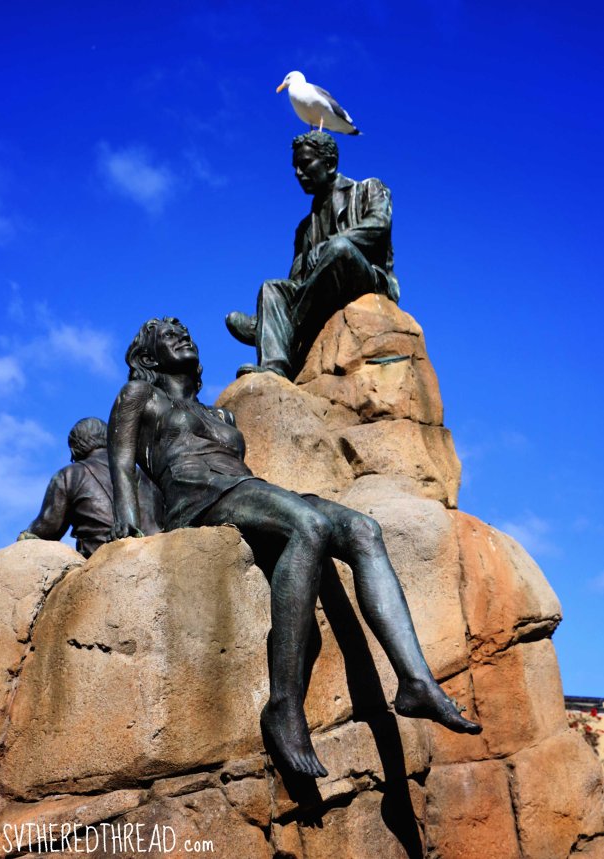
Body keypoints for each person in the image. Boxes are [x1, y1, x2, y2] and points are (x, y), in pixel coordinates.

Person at [108, 317, 481, 779]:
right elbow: (121, 463)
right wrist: (127, 526)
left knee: (363, 529)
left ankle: (416, 681)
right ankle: (283, 705)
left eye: (184, 331)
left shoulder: (221, 416)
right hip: (198, 498)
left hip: (245, 490)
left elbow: (248, 484)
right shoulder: (140, 396)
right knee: (309, 525)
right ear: (148, 356)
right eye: (169, 336)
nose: (182, 336)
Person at [226, 131, 400, 379]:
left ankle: (280, 325)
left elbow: (379, 224)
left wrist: (332, 242)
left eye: (305, 164)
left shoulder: (368, 188)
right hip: (320, 291)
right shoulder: (305, 228)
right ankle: (275, 366)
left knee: (339, 249)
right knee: (272, 288)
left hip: (366, 279)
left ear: (330, 164)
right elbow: (297, 278)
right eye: (295, 167)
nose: (298, 173)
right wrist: (277, 303)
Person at [18, 417, 161, 558]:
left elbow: (48, 528)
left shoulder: (70, 475)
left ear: (75, 448)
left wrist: (27, 534)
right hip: (155, 552)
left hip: (104, 558)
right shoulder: (146, 475)